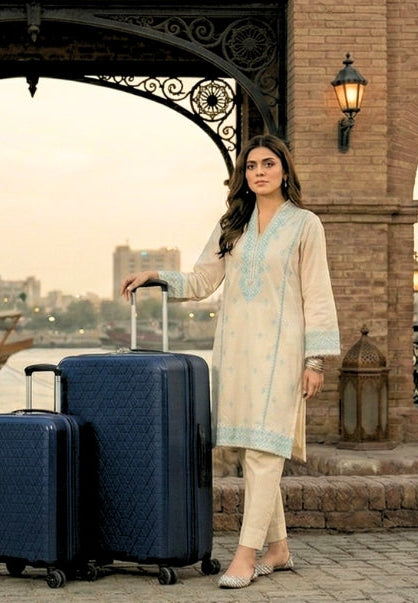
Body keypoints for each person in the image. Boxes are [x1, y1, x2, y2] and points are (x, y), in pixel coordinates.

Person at [119, 133, 340, 589]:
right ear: (245, 176)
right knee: (253, 447)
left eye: (268, 164)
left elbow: (318, 293)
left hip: (283, 351)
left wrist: (314, 360)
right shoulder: (232, 225)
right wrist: (157, 275)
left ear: (284, 171)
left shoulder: (305, 225)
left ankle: (245, 555)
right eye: (252, 166)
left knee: (264, 449)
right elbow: (203, 279)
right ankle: (277, 550)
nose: (259, 172)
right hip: (237, 352)